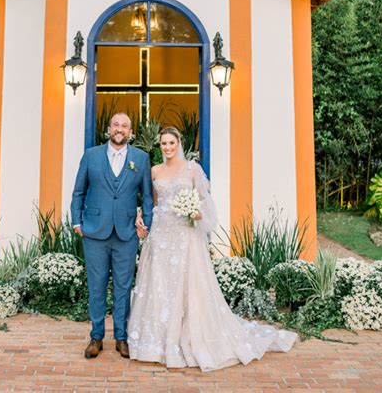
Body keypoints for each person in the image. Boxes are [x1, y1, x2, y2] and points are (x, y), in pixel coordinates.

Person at [127, 126, 297, 372]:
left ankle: (187, 338)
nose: (167, 148)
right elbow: (153, 202)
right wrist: (140, 217)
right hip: (161, 236)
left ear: (179, 143)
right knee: (161, 284)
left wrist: (195, 213)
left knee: (187, 285)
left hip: (185, 236)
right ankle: (157, 343)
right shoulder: (155, 170)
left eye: (171, 143)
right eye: (163, 144)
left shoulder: (192, 169)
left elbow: (206, 204)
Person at [70, 113, 153, 359]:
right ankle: (96, 337)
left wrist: (145, 223)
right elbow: (78, 192)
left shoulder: (141, 158)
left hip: (127, 232)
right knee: (96, 286)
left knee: (123, 286)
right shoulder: (91, 155)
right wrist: (77, 221)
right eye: (116, 125)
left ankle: (121, 337)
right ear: (109, 129)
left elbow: (147, 196)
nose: (120, 129)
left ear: (130, 131)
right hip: (94, 231)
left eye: (125, 126)